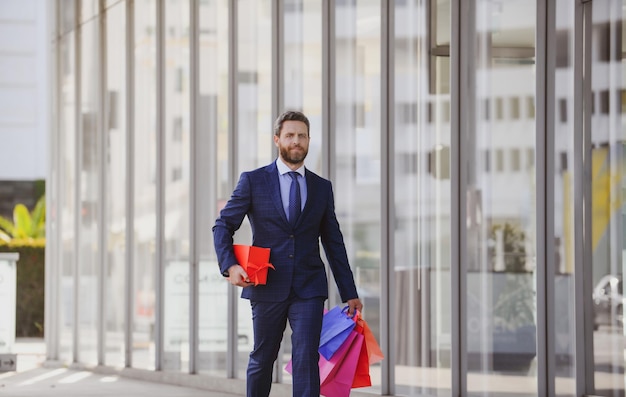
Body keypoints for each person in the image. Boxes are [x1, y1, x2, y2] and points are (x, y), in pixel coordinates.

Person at [213, 110, 363, 397]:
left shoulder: (321, 187)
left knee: (307, 357)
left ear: (308, 141)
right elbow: (223, 225)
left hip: (309, 287)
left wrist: (349, 291)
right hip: (266, 284)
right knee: (263, 357)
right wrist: (230, 266)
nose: (297, 141)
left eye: (302, 136)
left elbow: (334, 242)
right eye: (290, 135)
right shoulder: (253, 181)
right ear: (277, 139)